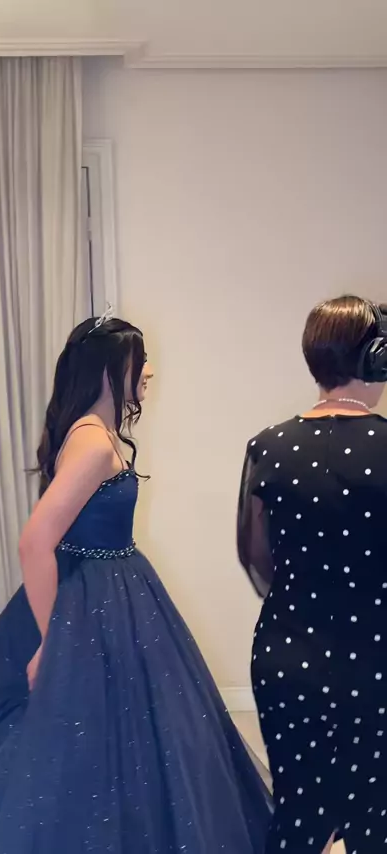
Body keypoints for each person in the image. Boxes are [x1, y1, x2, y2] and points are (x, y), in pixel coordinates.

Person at [0, 311, 271, 853]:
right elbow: (35, 541)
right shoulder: (93, 443)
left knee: (130, 738)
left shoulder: (96, 434)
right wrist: (51, 639)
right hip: (91, 600)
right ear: (110, 370)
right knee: (88, 741)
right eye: (140, 361)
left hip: (114, 590)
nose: (149, 372)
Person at [237, 294, 387, 854]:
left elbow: (256, 556)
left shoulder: (268, 446)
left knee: (299, 814)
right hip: (375, 657)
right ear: (375, 358)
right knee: (374, 815)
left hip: (287, 654)